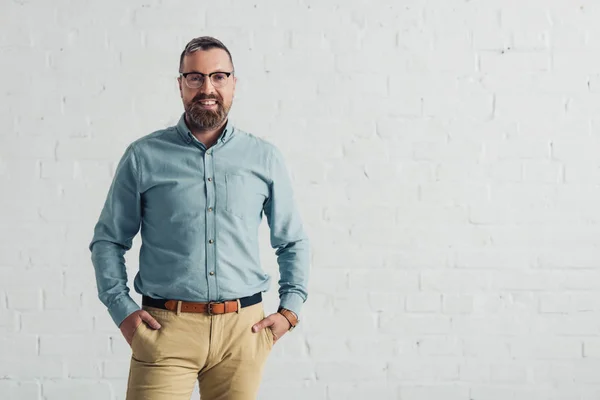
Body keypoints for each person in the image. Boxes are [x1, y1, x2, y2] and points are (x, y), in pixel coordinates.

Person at [89, 36, 310, 400]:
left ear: (233, 83)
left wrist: (290, 311)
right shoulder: (143, 156)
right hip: (165, 329)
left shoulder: (264, 158)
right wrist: (121, 309)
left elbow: (292, 241)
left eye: (219, 76)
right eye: (195, 77)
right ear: (180, 85)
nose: (207, 88)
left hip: (245, 331)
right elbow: (108, 240)